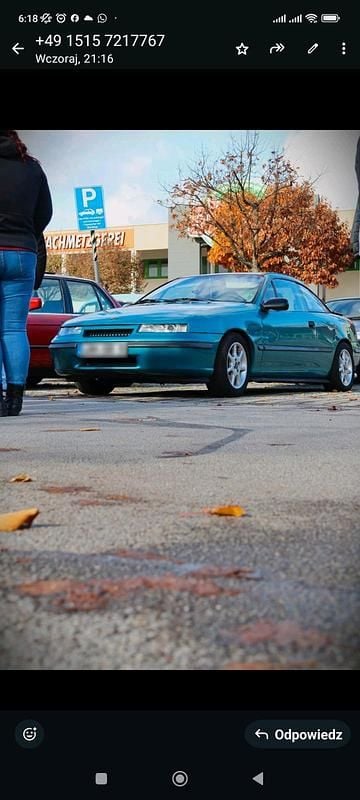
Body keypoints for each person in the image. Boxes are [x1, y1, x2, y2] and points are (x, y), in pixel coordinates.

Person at [0, 130, 52, 416]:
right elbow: (45, 212)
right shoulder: (32, 167)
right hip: (22, 253)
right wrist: (26, 233)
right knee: (14, 329)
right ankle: (16, 400)